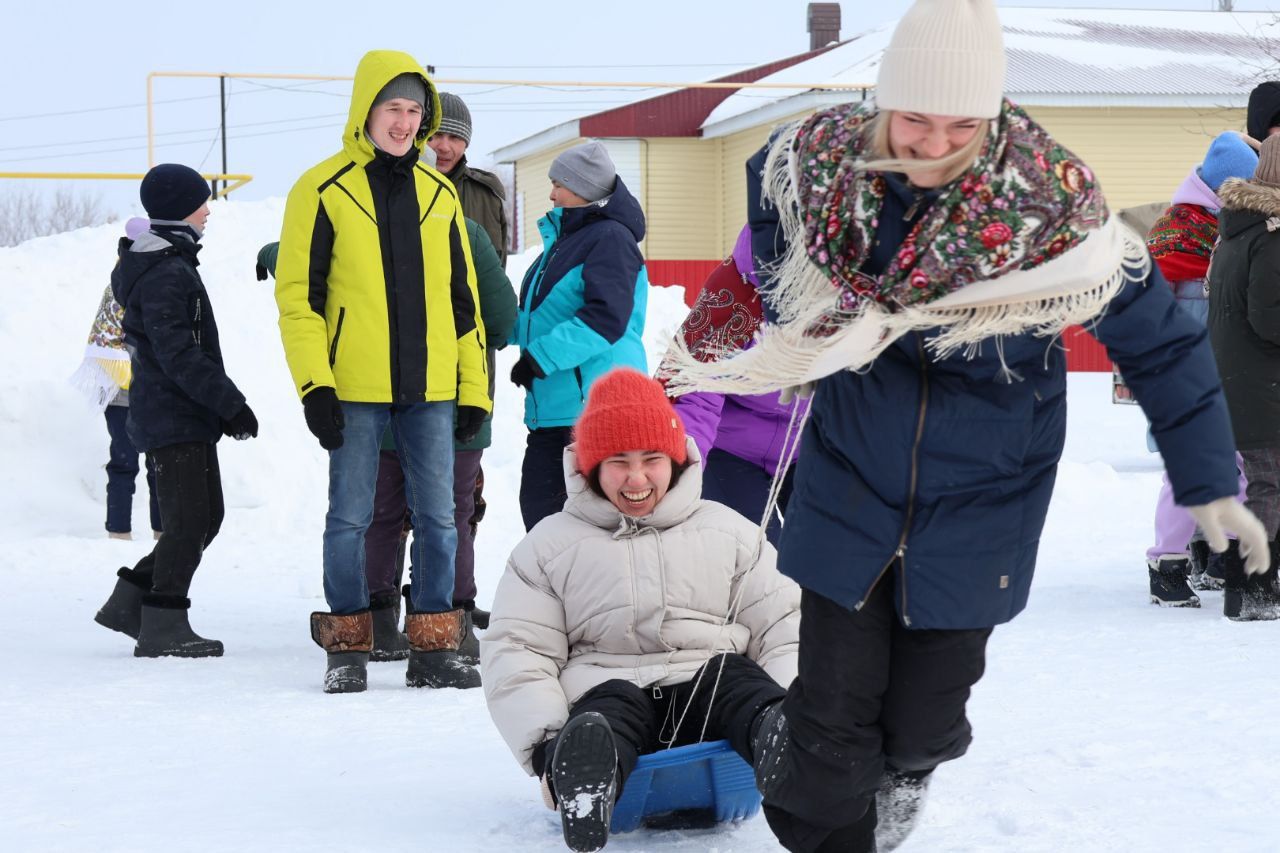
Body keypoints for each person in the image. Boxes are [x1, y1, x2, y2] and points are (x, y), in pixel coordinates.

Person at [659, 1, 1271, 850]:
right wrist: (793, 293)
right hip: (847, 489)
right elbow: (772, 188)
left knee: (922, 721)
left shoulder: (1054, 214)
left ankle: (905, 773)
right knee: (829, 736)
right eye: (913, 119)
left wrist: (1206, 480)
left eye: (961, 124)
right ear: (882, 103)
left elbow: (1162, 344)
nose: (935, 143)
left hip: (984, 502)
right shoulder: (825, 167)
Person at [481, 368, 800, 853]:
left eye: (651, 459)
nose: (636, 478)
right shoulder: (548, 547)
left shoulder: (729, 532)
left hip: (712, 706)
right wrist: (546, 743)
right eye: (617, 462)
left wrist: (792, 696)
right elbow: (518, 650)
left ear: (675, 459)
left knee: (735, 680)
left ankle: (782, 738)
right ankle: (587, 775)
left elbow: (785, 623)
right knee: (606, 707)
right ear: (590, 467)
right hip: (611, 701)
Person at [274, 50, 489, 693]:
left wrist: (473, 388)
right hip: (355, 386)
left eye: (414, 110)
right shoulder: (321, 189)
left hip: (431, 388)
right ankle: (347, 646)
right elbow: (298, 298)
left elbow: (464, 303)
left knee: (441, 519)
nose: (403, 122)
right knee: (351, 516)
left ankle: (431, 648)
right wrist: (316, 384)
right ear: (366, 110)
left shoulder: (439, 193)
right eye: (392, 108)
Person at [92, 164, 258, 658]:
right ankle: (164, 621)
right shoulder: (164, 271)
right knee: (188, 521)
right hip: (172, 418)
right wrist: (231, 403)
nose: (209, 211)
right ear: (179, 209)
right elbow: (179, 355)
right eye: (201, 202)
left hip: (184, 415)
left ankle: (130, 603)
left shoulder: (171, 262)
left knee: (206, 518)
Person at [510, 140, 649, 531]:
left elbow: (606, 317)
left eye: (559, 183)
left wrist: (540, 357)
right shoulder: (564, 243)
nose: (552, 192)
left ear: (585, 188)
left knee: (585, 536)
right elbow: (545, 315)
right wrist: (501, 327)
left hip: (595, 413)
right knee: (545, 527)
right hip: (556, 413)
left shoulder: (610, 239)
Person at [1143, 131, 1256, 606]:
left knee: (1242, 465)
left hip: (1230, 364)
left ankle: (1223, 554)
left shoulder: (1236, 228)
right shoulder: (1177, 230)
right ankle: (1165, 564)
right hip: (1182, 369)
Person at [663, 224, 805, 545]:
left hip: (808, 447)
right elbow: (695, 388)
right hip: (732, 449)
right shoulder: (737, 291)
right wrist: (682, 466)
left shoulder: (854, 297)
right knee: (756, 556)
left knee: (824, 560)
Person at [426, 92, 511, 570]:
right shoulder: (396, 184)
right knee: (402, 484)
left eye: (455, 137)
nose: (445, 146)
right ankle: (397, 596)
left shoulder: (485, 192)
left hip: (472, 350)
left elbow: (494, 271)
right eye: (437, 134)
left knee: (466, 482)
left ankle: (455, 592)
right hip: (413, 348)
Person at [1206, 133, 1280, 621]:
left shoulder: (1239, 228)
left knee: (1264, 482)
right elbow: (1269, 317)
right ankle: (1253, 590)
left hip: (1243, 378)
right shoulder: (1271, 236)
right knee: (1269, 484)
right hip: (1262, 384)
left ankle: (1253, 586)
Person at [70, 217, 162, 541]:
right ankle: (119, 533)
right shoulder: (121, 284)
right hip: (124, 389)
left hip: (147, 389)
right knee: (129, 462)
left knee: (151, 464)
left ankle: (159, 532)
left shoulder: (147, 280)